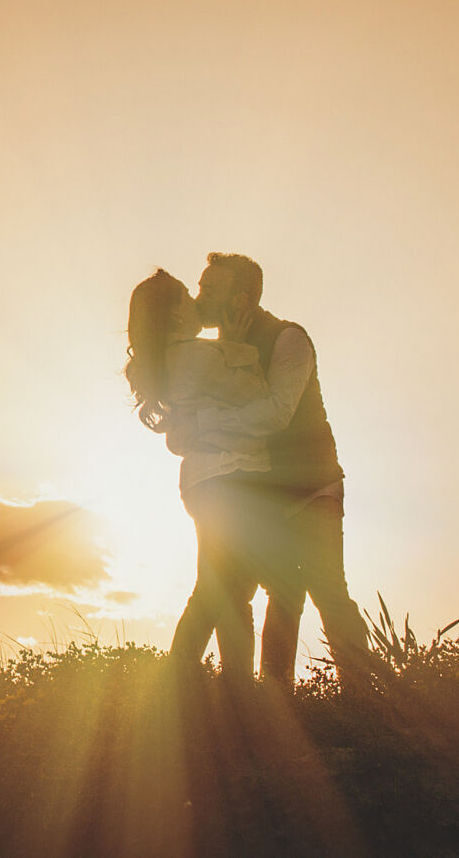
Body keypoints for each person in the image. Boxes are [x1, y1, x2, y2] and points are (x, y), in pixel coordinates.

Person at [183, 252, 373, 690]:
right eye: (199, 288)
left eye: (211, 290)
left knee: (327, 590)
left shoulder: (289, 339)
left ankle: (362, 702)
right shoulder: (210, 354)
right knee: (260, 593)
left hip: (311, 485)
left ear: (241, 298)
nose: (200, 298)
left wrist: (206, 425)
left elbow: (278, 413)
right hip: (258, 492)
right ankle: (271, 698)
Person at [125, 268, 282, 684]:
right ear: (175, 317)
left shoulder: (174, 358)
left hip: (204, 481)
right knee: (219, 587)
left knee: (230, 589)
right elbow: (259, 397)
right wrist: (236, 345)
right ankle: (181, 682)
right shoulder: (200, 355)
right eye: (185, 297)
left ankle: (233, 689)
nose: (196, 301)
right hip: (228, 478)